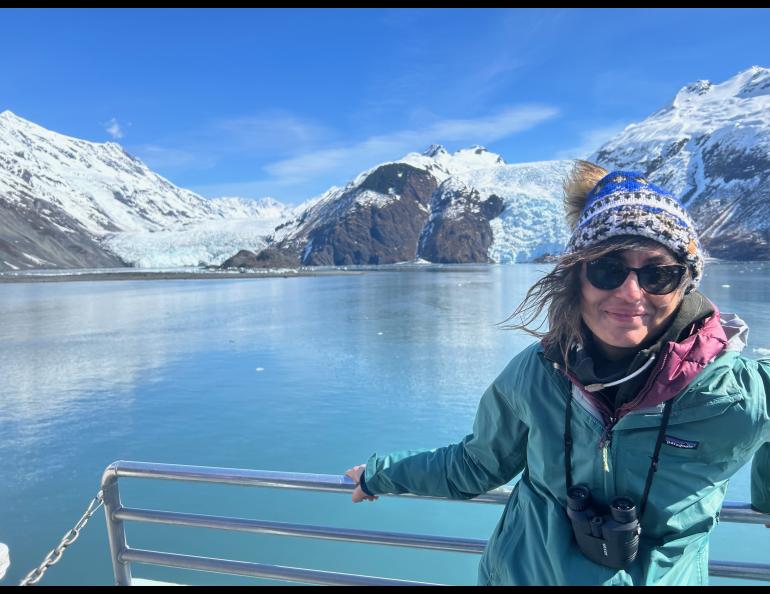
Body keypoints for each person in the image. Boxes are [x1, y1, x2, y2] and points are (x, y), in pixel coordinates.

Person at [345, 161, 770, 586]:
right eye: (608, 268)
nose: (630, 292)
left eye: (658, 274)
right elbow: (475, 464)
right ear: (578, 277)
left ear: (685, 285)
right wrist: (382, 473)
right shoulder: (537, 374)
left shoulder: (734, 393)